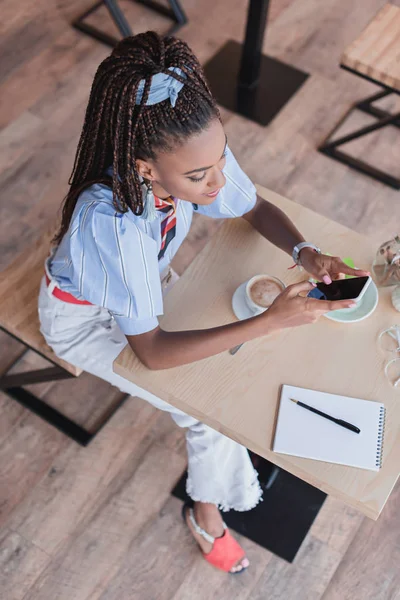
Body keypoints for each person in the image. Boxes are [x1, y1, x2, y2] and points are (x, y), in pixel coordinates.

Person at [38, 31, 368, 574]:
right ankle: (206, 514)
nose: (218, 182)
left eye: (218, 160)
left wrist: (305, 252)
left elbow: (253, 204)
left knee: (233, 355)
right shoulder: (113, 226)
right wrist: (268, 323)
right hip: (84, 320)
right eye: (199, 176)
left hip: (141, 291)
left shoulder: (193, 144)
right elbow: (153, 353)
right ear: (145, 169)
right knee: (204, 410)